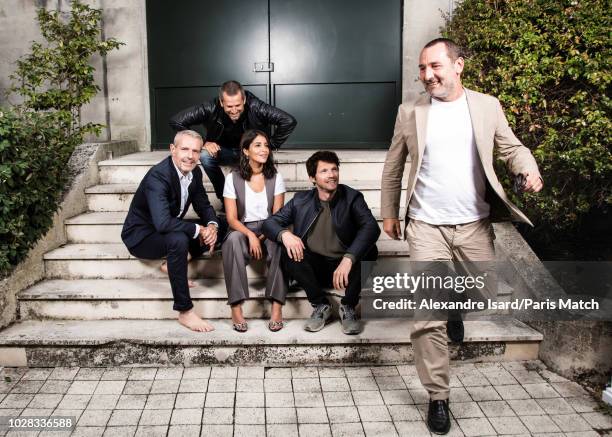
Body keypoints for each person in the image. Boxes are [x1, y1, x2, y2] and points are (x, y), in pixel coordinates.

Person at [381, 38, 543, 434]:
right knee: (427, 318)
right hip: (425, 225)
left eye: (435, 66)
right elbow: (393, 165)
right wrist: (388, 212)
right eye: (422, 68)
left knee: (483, 293)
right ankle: (438, 396)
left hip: (474, 224)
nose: (427, 75)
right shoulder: (410, 111)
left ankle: (456, 303)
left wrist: (528, 168)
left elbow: (511, 148)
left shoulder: (486, 106)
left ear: (458, 66)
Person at [263, 151, 380, 335]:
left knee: (370, 250)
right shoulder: (300, 200)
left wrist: (349, 258)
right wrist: (285, 234)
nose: (331, 175)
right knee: (286, 248)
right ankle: (321, 305)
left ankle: (348, 306)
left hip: (345, 270)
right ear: (312, 178)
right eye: (324, 171)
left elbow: (371, 228)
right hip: (315, 268)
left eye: (334, 169)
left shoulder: (352, 197)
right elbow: (269, 224)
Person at [121, 130, 220, 332]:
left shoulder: (195, 172)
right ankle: (185, 312)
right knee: (178, 240)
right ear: (172, 149)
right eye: (184, 149)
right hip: (142, 237)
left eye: (196, 151)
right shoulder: (158, 176)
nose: (190, 156)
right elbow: (163, 223)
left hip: (166, 227)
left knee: (223, 224)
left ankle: (175, 263)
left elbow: (203, 205)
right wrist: (198, 229)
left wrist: (211, 226)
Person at [169, 80, 297, 202]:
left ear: (244, 100)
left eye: (238, 105)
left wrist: (270, 145)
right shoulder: (210, 107)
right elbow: (177, 121)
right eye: (229, 106)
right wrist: (203, 142)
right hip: (222, 151)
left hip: (248, 152)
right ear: (221, 102)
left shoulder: (256, 106)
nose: (234, 110)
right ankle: (225, 197)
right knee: (204, 155)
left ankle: (251, 200)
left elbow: (288, 121)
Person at [222, 130, 288, 332]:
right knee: (232, 240)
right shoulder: (232, 178)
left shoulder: (275, 177)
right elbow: (232, 218)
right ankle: (236, 307)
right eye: (258, 145)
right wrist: (251, 235)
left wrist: (263, 235)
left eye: (266, 145)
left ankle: (276, 307)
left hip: (269, 226)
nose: (264, 149)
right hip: (243, 228)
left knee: (280, 242)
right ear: (246, 150)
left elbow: (277, 217)